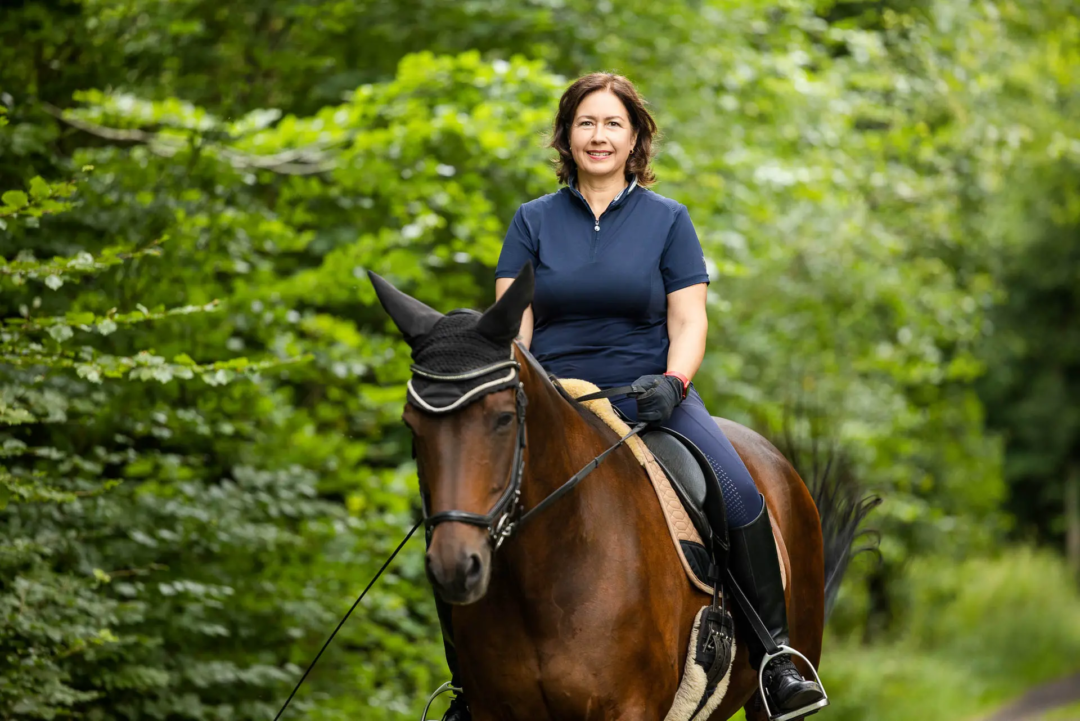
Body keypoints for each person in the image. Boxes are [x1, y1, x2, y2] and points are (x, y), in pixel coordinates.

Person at [439, 72, 825, 721]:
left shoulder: (668, 220)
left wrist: (673, 382)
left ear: (635, 136)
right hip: (556, 399)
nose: (598, 135)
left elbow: (690, 319)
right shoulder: (531, 220)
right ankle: (468, 683)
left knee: (739, 489)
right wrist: (521, 385)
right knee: (460, 511)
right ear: (566, 135)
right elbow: (513, 324)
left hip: (652, 393)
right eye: (586, 122)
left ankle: (778, 655)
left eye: (612, 123)